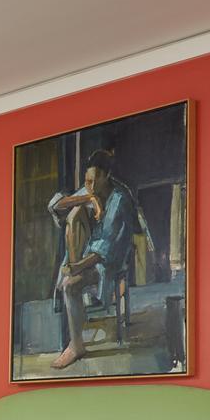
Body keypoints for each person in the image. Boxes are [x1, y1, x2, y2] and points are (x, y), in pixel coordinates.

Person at [46, 143, 149, 369]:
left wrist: (77, 267)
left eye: (93, 181)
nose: (88, 185)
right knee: (73, 216)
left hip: (108, 262)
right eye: (86, 181)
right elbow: (55, 205)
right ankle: (75, 338)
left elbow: (106, 251)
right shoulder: (90, 191)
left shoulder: (119, 200)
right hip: (85, 255)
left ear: (107, 176)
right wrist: (87, 199)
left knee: (70, 285)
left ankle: (76, 346)